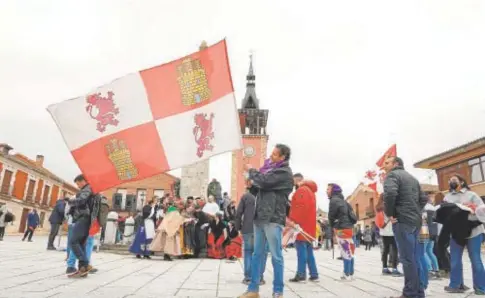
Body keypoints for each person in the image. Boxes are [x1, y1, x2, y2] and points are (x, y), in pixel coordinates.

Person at [239, 144, 294, 298]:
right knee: (257, 254)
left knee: (276, 256)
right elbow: (259, 188)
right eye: (272, 153)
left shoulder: (283, 172)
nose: (271, 156)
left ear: (283, 157)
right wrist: (251, 185)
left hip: (273, 218)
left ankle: (278, 291)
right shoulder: (268, 171)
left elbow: (264, 182)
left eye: (275, 154)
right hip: (260, 216)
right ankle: (253, 289)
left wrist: (251, 171)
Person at [383, 156, 427, 298]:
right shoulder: (412, 178)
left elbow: (390, 194)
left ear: (396, 164)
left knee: (407, 259)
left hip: (402, 220)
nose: (384, 166)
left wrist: (390, 213)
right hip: (415, 221)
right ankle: (419, 292)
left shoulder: (392, 175)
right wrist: (416, 211)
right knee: (414, 257)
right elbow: (423, 199)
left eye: (387, 163)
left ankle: (410, 293)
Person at [443, 174, 485, 295]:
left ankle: (481, 288)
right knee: (455, 260)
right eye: (450, 180)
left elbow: (482, 211)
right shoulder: (447, 197)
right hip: (456, 233)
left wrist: (472, 208)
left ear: (461, 182)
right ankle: (456, 285)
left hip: (474, 232)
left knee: (475, 259)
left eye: (454, 180)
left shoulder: (472, 195)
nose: (451, 181)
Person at [235, 179, 267, 285]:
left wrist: (238, 228)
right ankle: (259, 277)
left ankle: (248, 277)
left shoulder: (245, 197)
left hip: (247, 228)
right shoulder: (266, 197)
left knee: (248, 252)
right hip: (262, 229)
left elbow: (238, 213)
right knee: (261, 253)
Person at [288, 177, 319, 283]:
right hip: (309, 226)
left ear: (297, 180)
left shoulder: (302, 190)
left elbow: (300, 207)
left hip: (301, 226)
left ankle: (301, 275)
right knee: (309, 251)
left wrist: (293, 221)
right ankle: (314, 274)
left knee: (301, 251)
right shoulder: (310, 192)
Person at [68, 174, 95, 278]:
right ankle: (82, 270)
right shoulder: (89, 189)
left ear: (83, 181)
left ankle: (85, 263)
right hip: (86, 219)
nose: (78, 186)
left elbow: (82, 200)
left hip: (83, 218)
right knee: (81, 244)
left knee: (73, 241)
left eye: (78, 183)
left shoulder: (87, 189)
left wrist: (70, 201)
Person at [328, 183, 356, 280]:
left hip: (341, 228)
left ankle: (346, 273)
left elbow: (331, 216)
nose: (326, 191)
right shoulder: (343, 201)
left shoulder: (333, 201)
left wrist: (332, 225)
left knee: (345, 250)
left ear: (333, 191)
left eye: (328, 189)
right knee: (350, 250)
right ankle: (351, 273)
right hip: (349, 228)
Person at [375, 195, 401, 276]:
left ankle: (385, 268)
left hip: (384, 233)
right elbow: (386, 222)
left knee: (385, 250)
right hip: (392, 232)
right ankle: (394, 269)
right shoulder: (389, 208)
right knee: (394, 250)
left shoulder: (379, 209)